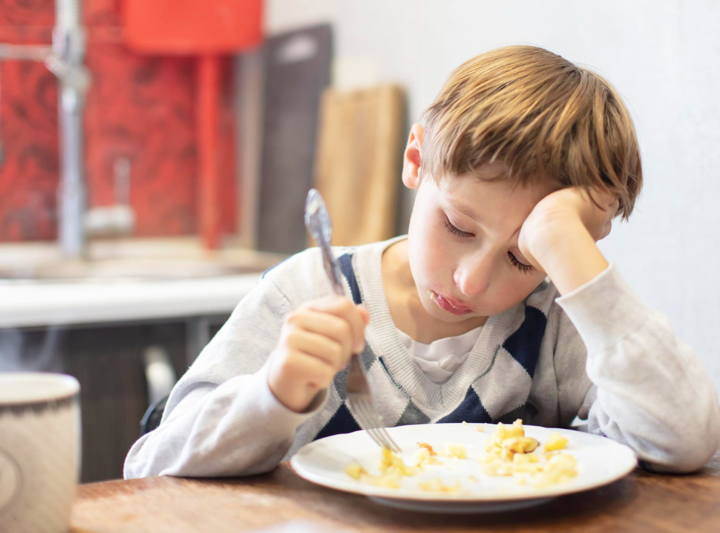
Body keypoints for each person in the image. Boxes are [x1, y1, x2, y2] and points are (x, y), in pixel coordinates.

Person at [124, 45, 719, 479]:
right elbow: (150, 467)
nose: (472, 280)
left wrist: (573, 257)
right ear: (416, 158)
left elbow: (688, 439)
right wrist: (274, 395)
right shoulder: (306, 291)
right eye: (459, 226)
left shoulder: (557, 321)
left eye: (524, 256)